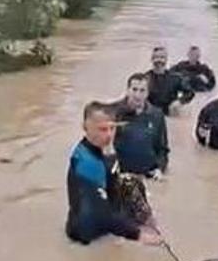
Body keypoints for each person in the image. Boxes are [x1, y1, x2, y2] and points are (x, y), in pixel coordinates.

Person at [66, 101, 163, 246]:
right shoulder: (86, 162)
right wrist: (137, 235)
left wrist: (144, 215)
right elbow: (101, 212)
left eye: (112, 128)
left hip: (109, 218)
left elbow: (115, 186)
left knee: (130, 181)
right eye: (102, 129)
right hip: (87, 231)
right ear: (85, 128)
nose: (109, 135)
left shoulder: (105, 149)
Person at [111, 73, 169, 178]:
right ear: (128, 90)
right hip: (121, 175)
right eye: (134, 89)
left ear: (147, 93)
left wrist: (160, 169)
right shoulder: (114, 112)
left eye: (142, 91)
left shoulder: (157, 115)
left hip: (148, 175)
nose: (138, 95)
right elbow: (103, 146)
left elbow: (162, 149)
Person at [146, 46, 194, 114]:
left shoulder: (175, 78)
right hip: (151, 114)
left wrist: (179, 102)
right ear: (151, 59)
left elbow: (190, 93)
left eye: (162, 57)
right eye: (156, 57)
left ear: (166, 59)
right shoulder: (145, 78)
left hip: (170, 113)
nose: (159, 60)